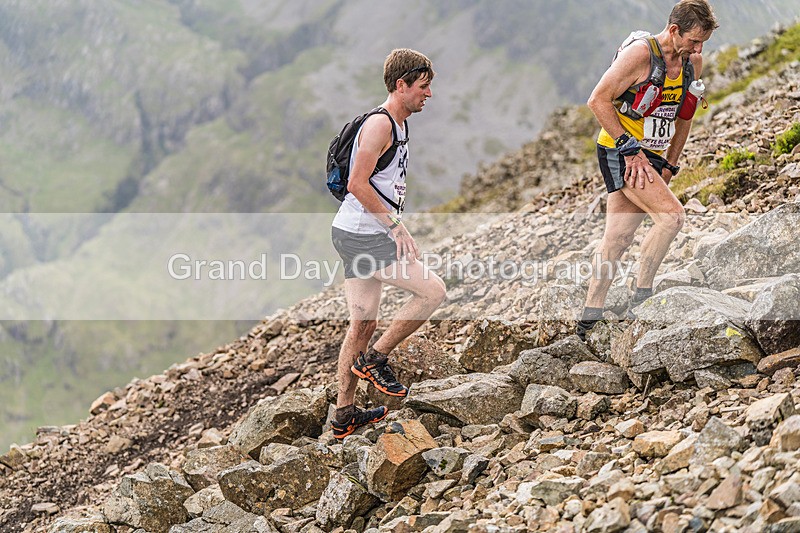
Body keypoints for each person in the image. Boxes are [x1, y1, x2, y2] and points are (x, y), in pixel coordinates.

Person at [577, 0, 718, 341]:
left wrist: (669, 162)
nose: (698, 50)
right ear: (673, 30)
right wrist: (630, 148)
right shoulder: (640, 55)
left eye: (703, 43)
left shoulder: (691, 62)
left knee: (619, 237)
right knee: (672, 217)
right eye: (694, 41)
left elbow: (685, 115)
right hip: (620, 149)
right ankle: (643, 297)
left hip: (653, 153)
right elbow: (598, 100)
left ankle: (588, 318)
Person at [330, 49, 446, 439]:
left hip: (356, 232)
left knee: (362, 322)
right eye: (423, 86)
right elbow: (356, 183)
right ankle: (376, 359)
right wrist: (396, 226)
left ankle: (344, 412)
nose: (428, 94)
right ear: (402, 85)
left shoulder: (399, 124)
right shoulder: (381, 125)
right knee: (432, 292)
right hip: (363, 233)